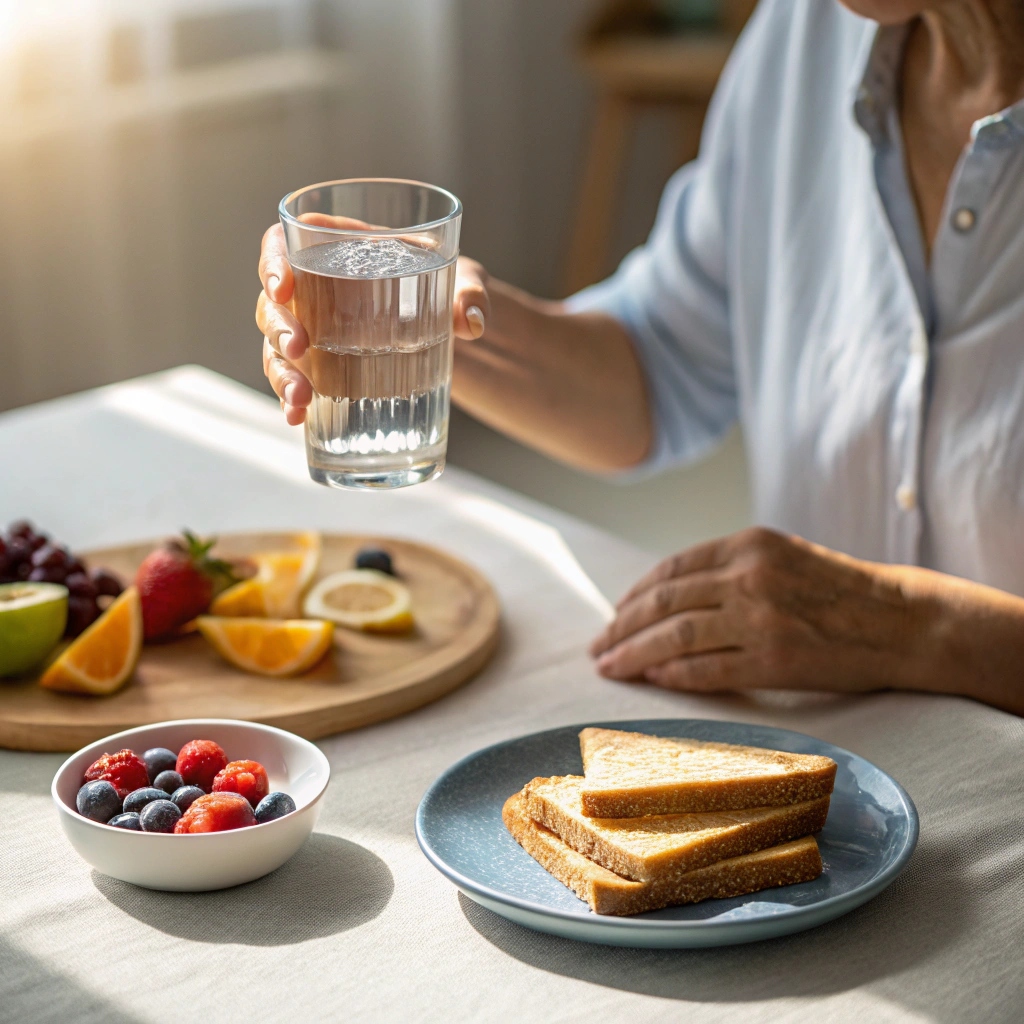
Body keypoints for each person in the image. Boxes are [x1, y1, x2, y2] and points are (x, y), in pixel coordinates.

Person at [256, 0, 1024, 716]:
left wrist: (910, 631)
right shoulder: (805, 33)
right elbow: (660, 369)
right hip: (839, 767)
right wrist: (430, 318)